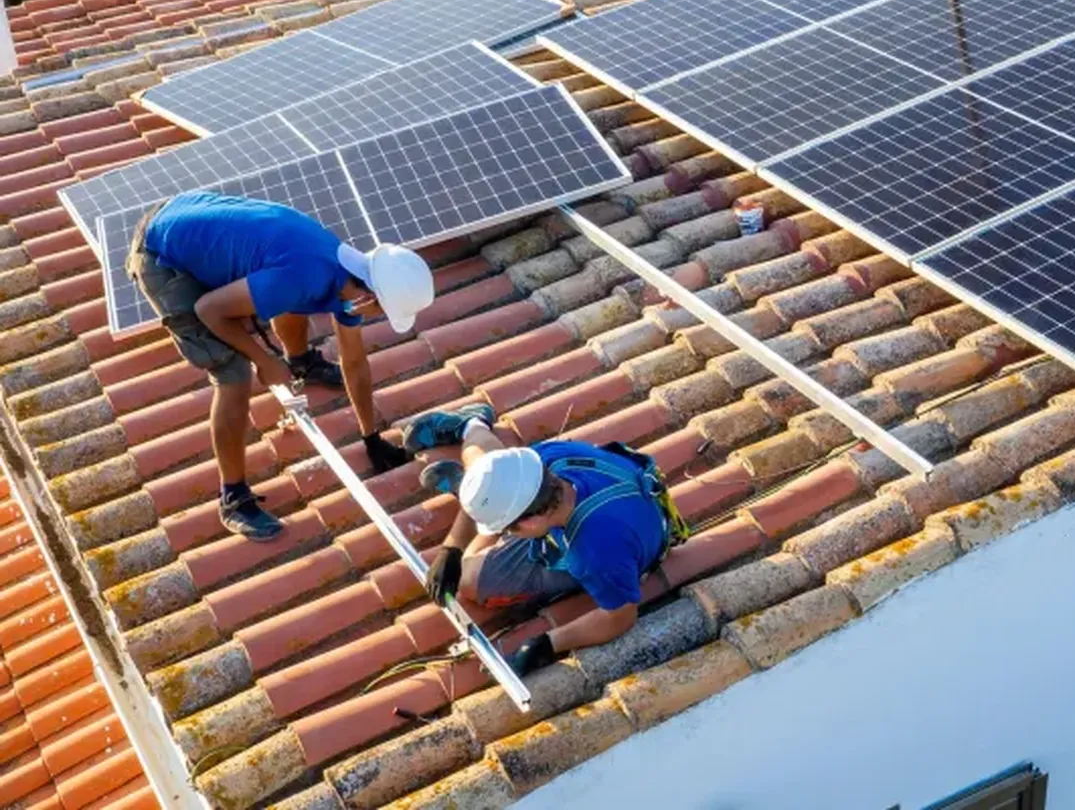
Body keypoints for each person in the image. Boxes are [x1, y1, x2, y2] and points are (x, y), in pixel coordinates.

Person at [127, 191, 436, 541]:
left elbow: (354, 361)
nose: (376, 317)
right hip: (161, 251)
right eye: (382, 310)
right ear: (370, 296)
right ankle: (233, 497)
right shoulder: (305, 275)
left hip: (186, 219)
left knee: (285, 298)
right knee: (233, 375)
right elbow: (208, 310)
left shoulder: (351, 273)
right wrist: (264, 360)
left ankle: (301, 361)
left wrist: (371, 437)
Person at [409, 402, 689, 675]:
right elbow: (501, 471)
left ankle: (474, 490)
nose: (505, 534)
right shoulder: (546, 460)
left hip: (624, 538)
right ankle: (471, 425)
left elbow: (620, 617)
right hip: (620, 499)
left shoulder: (593, 553)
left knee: (467, 581)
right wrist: (451, 549)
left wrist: (547, 644)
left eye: (508, 529)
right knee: (493, 468)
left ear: (529, 521)